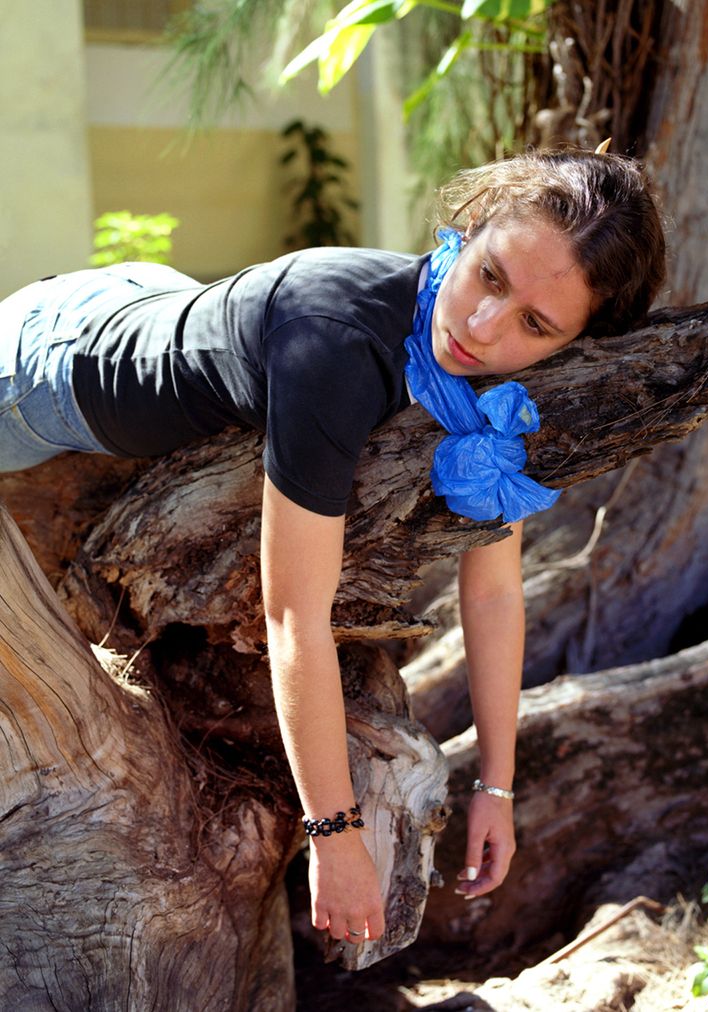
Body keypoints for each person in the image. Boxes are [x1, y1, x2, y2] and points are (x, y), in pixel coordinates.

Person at [0, 146, 666, 944]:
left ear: (575, 341)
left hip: (163, 305)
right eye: (489, 275)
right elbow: (293, 617)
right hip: (51, 366)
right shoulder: (336, 349)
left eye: (535, 323)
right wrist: (335, 835)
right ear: (473, 225)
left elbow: (492, 590)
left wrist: (496, 787)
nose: (483, 326)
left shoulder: (489, 381)